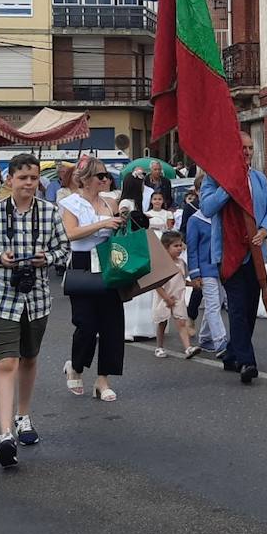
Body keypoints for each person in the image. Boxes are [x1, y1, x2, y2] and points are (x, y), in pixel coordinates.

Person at [0, 153, 71, 469]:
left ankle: (23, 416)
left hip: (37, 299)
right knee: (6, 362)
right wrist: (0, 258)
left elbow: (64, 249)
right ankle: (4, 435)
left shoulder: (51, 213)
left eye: (33, 177)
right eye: (23, 177)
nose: (29, 183)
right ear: (10, 179)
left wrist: (48, 258)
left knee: (28, 358)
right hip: (2, 298)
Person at [198, 130, 267, 385]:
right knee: (236, 307)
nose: (246, 152)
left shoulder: (258, 178)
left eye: (249, 148)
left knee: (248, 308)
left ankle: (233, 353)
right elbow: (207, 207)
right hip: (228, 254)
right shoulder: (214, 179)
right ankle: (247, 361)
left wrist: (264, 230)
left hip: (254, 253)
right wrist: (228, 186)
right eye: (242, 148)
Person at [59, 158, 125, 401]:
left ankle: (103, 379)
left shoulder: (110, 201)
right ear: (86, 179)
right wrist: (103, 223)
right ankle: (75, 366)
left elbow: (120, 227)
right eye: (100, 176)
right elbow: (71, 233)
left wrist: (122, 220)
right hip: (83, 262)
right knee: (85, 323)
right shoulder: (71, 203)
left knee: (112, 324)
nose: (105, 179)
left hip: (109, 261)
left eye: (107, 175)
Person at [117, 172, 156, 340]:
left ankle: (140, 326)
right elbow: (123, 222)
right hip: (130, 244)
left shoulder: (136, 203)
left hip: (138, 243)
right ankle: (128, 328)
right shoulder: (126, 203)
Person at [187, 207, 227, 357]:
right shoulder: (195, 220)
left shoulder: (221, 216)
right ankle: (220, 341)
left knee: (218, 301)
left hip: (222, 267)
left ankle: (205, 337)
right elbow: (192, 248)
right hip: (205, 268)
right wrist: (194, 273)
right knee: (213, 304)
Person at [152, 230, 198, 358]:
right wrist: (166, 298)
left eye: (180, 245)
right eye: (175, 246)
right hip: (164, 298)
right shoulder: (162, 264)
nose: (179, 248)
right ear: (166, 248)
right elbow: (157, 284)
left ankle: (188, 348)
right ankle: (159, 347)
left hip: (178, 297)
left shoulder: (181, 263)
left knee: (181, 322)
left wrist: (192, 284)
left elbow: (181, 280)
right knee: (162, 322)